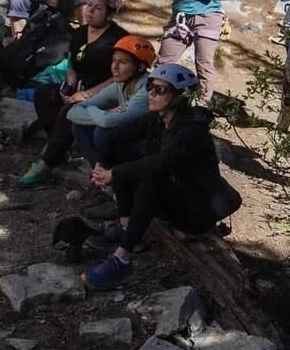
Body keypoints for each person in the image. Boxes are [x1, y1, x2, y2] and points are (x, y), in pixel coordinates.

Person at [80, 64, 242, 290]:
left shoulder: (191, 131)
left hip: (199, 208)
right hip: (179, 194)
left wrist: (113, 174)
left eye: (160, 90)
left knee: (151, 178)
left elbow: (161, 163)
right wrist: (102, 164)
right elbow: (113, 136)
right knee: (123, 154)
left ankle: (122, 259)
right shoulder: (159, 119)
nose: (151, 94)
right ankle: (126, 228)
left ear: (180, 96)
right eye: (150, 88)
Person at [18, 0, 129, 187]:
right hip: (79, 87)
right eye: (90, 5)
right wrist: (69, 84)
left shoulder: (119, 39)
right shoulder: (80, 32)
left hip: (106, 94)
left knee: (71, 110)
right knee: (43, 93)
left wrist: (87, 94)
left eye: (98, 8)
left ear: (109, 14)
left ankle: (46, 162)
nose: (90, 11)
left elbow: (119, 77)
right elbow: (72, 64)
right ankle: (60, 146)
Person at [66, 35, 157, 168]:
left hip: (151, 144)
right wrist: (103, 113)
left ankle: (109, 173)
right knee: (79, 125)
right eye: (114, 60)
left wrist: (98, 112)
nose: (115, 66)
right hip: (126, 135)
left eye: (123, 62)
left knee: (102, 132)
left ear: (140, 67)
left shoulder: (147, 88)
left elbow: (107, 121)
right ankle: (99, 171)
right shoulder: (119, 85)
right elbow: (72, 112)